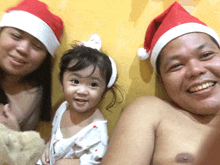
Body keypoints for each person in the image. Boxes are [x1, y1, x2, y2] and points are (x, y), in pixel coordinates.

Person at [101, 2, 220, 165]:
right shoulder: (151, 112)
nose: (195, 70)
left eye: (206, 55)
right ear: (162, 82)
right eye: (176, 65)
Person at [38, 34, 119, 165]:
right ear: (61, 83)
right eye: (75, 81)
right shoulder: (63, 106)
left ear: (104, 92)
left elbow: (95, 161)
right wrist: (48, 146)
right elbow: (54, 136)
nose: (82, 91)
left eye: (93, 85)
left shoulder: (96, 131)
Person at [0, 0, 64, 131]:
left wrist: (14, 134)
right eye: (16, 36)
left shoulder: (36, 93)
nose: (23, 49)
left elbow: (27, 148)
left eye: (37, 46)